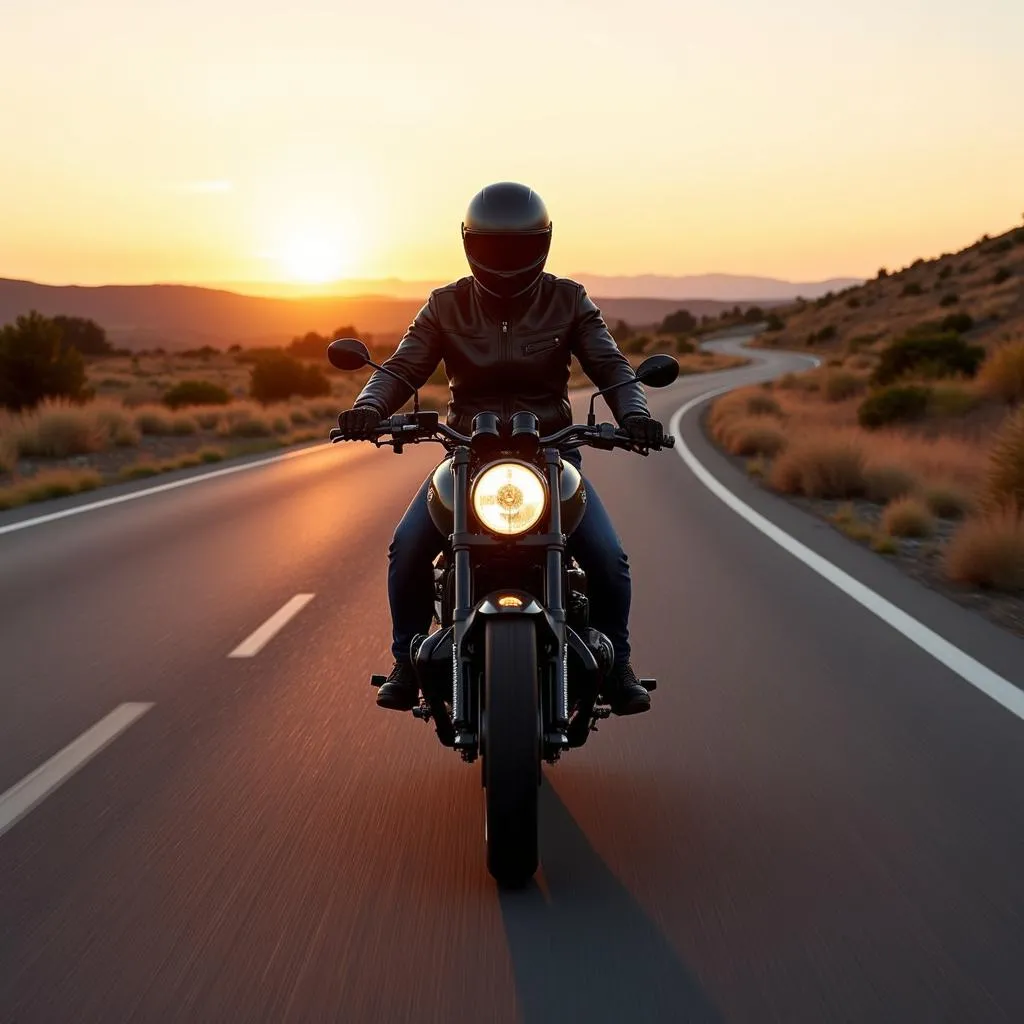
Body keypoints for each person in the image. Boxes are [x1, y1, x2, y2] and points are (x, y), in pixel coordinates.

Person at [335, 181, 667, 715]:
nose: (506, 259)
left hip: (552, 454)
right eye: (494, 247)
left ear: (543, 242)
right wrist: (369, 409)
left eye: (518, 246)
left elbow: (611, 367)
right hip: (466, 455)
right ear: (470, 244)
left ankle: (619, 663)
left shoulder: (569, 299)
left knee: (608, 557)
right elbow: (401, 368)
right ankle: (404, 660)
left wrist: (635, 416)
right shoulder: (446, 305)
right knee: (408, 549)